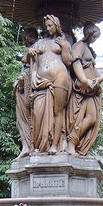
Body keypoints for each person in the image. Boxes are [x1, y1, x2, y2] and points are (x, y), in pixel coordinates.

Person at [26, 15, 75, 155]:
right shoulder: (40, 42)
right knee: (37, 112)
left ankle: (54, 145)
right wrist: (29, 53)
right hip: (41, 82)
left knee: (58, 112)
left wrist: (64, 46)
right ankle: (40, 145)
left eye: (50, 25)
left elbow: (68, 62)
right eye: (46, 26)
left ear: (57, 26)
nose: (47, 28)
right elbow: (25, 59)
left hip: (60, 78)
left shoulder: (63, 42)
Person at [66, 22, 103, 155]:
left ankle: (73, 144)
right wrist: (83, 80)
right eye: (95, 37)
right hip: (82, 89)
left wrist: (99, 78)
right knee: (81, 118)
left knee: (92, 118)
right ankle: (71, 144)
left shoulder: (88, 49)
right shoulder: (79, 45)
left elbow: (92, 68)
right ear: (89, 34)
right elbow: (75, 61)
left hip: (91, 90)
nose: (95, 40)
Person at [13, 28, 39, 159]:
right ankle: (27, 146)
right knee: (21, 120)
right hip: (23, 90)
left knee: (31, 119)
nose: (26, 40)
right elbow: (25, 60)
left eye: (27, 37)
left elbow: (25, 60)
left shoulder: (38, 48)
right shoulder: (33, 50)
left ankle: (32, 146)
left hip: (32, 91)